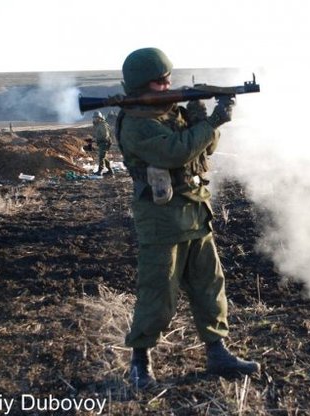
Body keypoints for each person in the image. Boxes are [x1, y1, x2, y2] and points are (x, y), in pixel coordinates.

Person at [116, 47, 260, 389]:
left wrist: (200, 120)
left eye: (168, 80)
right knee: (158, 293)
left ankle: (217, 351)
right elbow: (175, 151)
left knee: (209, 285)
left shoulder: (168, 113)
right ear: (140, 85)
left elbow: (202, 150)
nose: (167, 86)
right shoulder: (136, 124)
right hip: (161, 219)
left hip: (195, 210)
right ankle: (140, 361)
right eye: (160, 82)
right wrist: (211, 122)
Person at [91, 111, 114, 175]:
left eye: (96, 117)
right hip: (102, 142)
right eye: (94, 118)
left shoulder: (103, 125)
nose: (94, 119)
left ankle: (100, 170)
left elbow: (105, 136)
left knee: (101, 156)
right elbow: (98, 134)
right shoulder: (98, 124)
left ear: (99, 118)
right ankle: (110, 171)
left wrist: (97, 139)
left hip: (105, 142)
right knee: (104, 157)